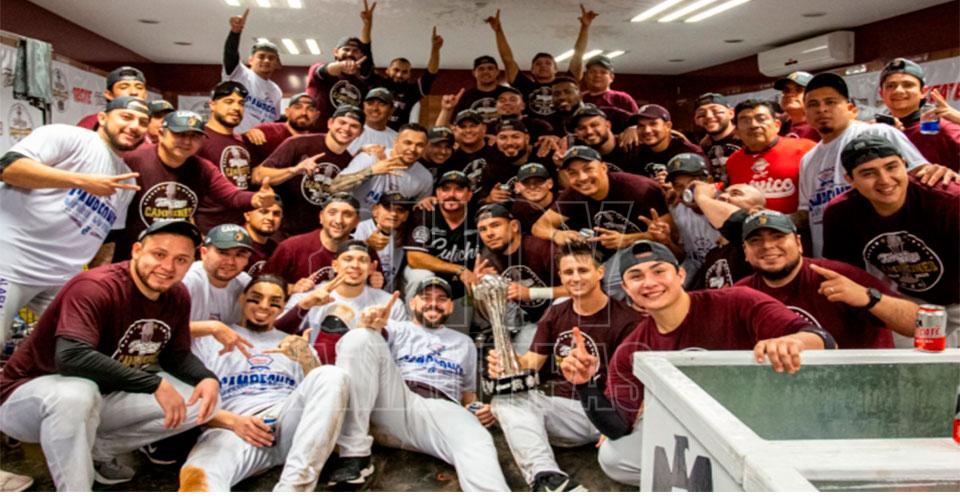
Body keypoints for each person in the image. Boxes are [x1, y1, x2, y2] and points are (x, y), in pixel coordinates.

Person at [559, 240, 835, 485]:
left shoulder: (736, 300)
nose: (649, 283)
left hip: (766, 421)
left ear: (680, 275)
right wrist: (585, 385)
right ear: (626, 289)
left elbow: (822, 339)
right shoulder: (631, 349)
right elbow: (618, 427)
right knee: (614, 457)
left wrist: (793, 342)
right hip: (696, 432)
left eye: (659, 271)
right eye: (636, 276)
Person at [0, 220, 221, 491]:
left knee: (202, 400)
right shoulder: (96, 286)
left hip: (98, 396)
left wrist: (207, 378)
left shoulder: (177, 294)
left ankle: (94, 453)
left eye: (181, 259)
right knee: (77, 392)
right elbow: (71, 357)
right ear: (137, 250)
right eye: (159, 254)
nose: (168, 267)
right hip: (25, 399)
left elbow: (176, 355)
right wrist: (154, 384)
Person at [329, 278, 509, 491]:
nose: (433, 303)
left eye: (441, 299)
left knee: (478, 441)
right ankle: (354, 454)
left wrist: (478, 409)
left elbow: (468, 396)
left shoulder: (464, 342)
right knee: (360, 336)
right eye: (426, 298)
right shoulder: (395, 328)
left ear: (450, 306)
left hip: (443, 408)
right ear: (412, 303)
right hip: (397, 400)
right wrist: (369, 324)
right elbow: (363, 350)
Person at [486, 242, 639, 492]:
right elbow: (532, 363)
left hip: (603, 412)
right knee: (505, 399)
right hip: (562, 411)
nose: (575, 278)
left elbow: (631, 386)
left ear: (600, 272)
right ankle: (547, 479)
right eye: (568, 272)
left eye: (583, 270)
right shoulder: (556, 312)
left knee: (512, 409)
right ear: (560, 276)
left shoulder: (627, 320)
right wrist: (508, 362)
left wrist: (614, 422)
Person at [178, 274, 349, 492]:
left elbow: (325, 399)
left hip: (286, 421)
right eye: (255, 298)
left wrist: (307, 359)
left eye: (274, 302)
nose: (264, 307)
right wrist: (232, 422)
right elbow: (188, 398)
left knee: (332, 375)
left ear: (283, 307)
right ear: (241, 299)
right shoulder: (210, 340)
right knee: (198, 481)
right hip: (233, 426)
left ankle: (293, 489)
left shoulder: (292, 342)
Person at [0, 97, 147, 347]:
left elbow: (108, 238)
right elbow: (8, 169)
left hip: (61, 278)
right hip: (11, 264)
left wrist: (95, 281)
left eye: (143, 122)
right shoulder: (69, 137)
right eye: (126, 116)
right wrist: (81, 181)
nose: (134, 126)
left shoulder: (127, 180)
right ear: (103, 118)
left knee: (83, 347)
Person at [823, 134, 959, 346]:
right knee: (914, 364)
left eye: (891, 167)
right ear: (850, 179)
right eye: (868, 173)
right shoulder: (841, 213)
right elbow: (847, 275)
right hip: (912, 302)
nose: (885, 180)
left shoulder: (948, 201)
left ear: (905, 164)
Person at [795, 72, 951, 257]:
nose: (822, 109)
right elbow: (806, 213)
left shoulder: (878, 133)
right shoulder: (808, 159)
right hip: (833, 258)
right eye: (813, 104)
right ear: (806, 113)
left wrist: (943, 177)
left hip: (889, 257)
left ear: (850, 108)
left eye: (831, 102)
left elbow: (926, 178)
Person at [112, 110, 276, 262]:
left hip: (176, 252)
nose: (187, 142)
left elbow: (231, 196)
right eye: (180, 134)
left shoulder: (203, 168)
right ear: (161, 134)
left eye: (194, 136)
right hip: (133, 253)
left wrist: (256, 199)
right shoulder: (133, 159)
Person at [737, 210, 913, 348]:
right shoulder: (740, 295)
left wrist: (869, 298)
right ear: (745, 251)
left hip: (860, 380)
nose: (767, 246)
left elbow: (917, 325)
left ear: (798, 243)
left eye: (778, 237)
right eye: (755, 240)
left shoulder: (838, 275)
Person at [532, 146, 669, 298]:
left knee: (608, 282)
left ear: (603, 168)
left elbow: (670, 237)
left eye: (588, 169)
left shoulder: (640, 189)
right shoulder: (573, 194)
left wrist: (628, 239)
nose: (582, 177)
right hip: (605, 257)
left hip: (650, 250)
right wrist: (557, 234)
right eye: (573, 173)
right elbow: (539, 226)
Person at [277, 240, 408, 364]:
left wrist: (380, 332)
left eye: (363, 260)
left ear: (372, 267)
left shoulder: (391, 304)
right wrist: (304, 306)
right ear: (335, 265)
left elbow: (401, 352)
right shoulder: (307, 296)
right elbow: (275, 335)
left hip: (368, 369)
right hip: (317, 369)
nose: (355, 265)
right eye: (348, 259)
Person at [255, 105, 363, 237]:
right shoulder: (299, 143)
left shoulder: (350, 162)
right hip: (281, 231)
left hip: (316, 236)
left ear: (360, 132)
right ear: (330, 123)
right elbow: (258, 175)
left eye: (354, 126)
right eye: (342, 122)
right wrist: (294, 170)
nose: (346, 128)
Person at [473, 203, 563, 352]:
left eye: (495, 225)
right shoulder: (487, 258)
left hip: (564, 316)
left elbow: (579, 289)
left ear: (514, 226)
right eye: (483, 229)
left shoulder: (541, 248)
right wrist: (479, 288)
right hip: (529, 322)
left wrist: (532, 293)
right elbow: (489, 314)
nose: (489, 234)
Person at [485, 6, 596, 120]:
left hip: (565, 129)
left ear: (556, 69)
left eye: (548, 63)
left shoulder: (567, 82)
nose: (543, 66)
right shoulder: (524, 85)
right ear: (532, 70)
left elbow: (578, 55)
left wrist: (585, 27)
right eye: (538, 64)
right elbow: (507, 59)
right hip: (534, 129)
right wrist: (498, 31)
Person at [403, 171, 479, 333]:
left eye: (458, 189)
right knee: (421, 276)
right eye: (446, 189)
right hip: (430, 281)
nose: (451, 195)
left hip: (461, 288)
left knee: (457, 336)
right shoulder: (425, 212)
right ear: (437, 193)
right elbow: (414, 258)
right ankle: (413, 330)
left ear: (469, 195)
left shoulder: (478, 217)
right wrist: (459, 269)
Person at [262, 192, 381, 293]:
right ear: (321, 217)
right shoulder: (291, 247)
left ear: (357, 222)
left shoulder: (364, 251)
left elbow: (376, 284)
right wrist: (292, 288)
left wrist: (375, 281)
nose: (339, 220)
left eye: (347, 215)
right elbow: (261, 285)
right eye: (332, 213)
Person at [725, 99, 816, 214]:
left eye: (761, 119)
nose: (753, 125)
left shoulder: (806, 149)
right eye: (745, 121)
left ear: (777, 125)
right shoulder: (733, 161)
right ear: (736, 131)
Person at [878, 57, 960, 172]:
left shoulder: (940, 127)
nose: (898, 90)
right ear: (881, 94)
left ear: (923, 92)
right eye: (891, 86)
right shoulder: (876, 131)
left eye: (907, 85)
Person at [196, 81, 256, 232]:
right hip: (208, 228)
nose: (236, 108)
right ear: (212, 105)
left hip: (239, 226)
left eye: (241, 103)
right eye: (228, 102)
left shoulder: (243, 141)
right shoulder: (198, 139)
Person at [305, 1, 377, 126]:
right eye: (346, 49)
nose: (350, 53)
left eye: (355, 51)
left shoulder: (361, 84)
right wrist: (342, 65)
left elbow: (367, 51)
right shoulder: (318, 70)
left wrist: (367, 25)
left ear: (360, 56)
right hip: (315, 132)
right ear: (336, 52)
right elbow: (324, 70)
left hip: (345, 135)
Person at [687, 182, 766, 290]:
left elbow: (737, 222)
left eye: (735, 194)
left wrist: (701, 196)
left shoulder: (755, 244)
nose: (722, 196)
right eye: (722, 194)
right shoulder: (712, 254)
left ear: (756, 211)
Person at [339, 123, 432, 211]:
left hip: (389, 222)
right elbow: (336, 187)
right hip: (353, 220)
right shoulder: (372, 156)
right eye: (408, 143)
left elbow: (417, 210)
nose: (413, 149)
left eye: (420, 145)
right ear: (396, 141)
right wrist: (371, 171)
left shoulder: (425, 177)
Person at [662, 153, 722, 281]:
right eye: (679, 186)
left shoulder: (725, 204)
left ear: (709, 181)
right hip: (695, 268)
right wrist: (667, 241)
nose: (687, 191)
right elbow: (684, 255)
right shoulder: (676, 208)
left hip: (725, 269)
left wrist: (703, 199)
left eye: (692, 184)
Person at [222, 9, 282, 133]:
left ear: (276, 64)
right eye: (261, 56)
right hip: (235, 138)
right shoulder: (240, 74)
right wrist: (235, 33)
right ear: (250, 60)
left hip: (262, 142)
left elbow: (274, 121)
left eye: (271, 58)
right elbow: (230, 54)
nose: (266, 60)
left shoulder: (276, 91)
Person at [374, 26, 442, 128]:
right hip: (370, 132)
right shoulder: (376, 83)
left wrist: (435, 49)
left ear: (409, 75)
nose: (399, 75)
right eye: (396, 70)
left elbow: (430, 75)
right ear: (387, 70)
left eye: (404, 72)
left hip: (397, 135)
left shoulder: (412, 92)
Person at [352, 191, 413, 291]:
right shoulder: (361, 228)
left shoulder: (402, 233)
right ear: (375, 210)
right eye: (388, 208)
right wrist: (367, 245)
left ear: (405, 216)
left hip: (387, 293)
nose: (394, 214)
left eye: (400, 210)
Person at [243, 93, 320, 166]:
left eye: (310, 109)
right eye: (298, 108)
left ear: (317, 115)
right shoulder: (266, 131)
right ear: (287, 112)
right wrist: (246, 132)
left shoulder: (318, 141)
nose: (304, 113)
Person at [76, 67, 148, 130]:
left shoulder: (151, 124)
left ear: (145, 95)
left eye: (139, 87)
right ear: (109, 94)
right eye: (124, 87)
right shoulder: (92, 122)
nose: (133, 92)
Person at [633, 104, 705, 168]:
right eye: (641, 126)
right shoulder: (635, 153)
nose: (646, 130)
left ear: (668, 126)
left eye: (653, 124)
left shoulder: (692, 154)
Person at [694, 93, 741, 184]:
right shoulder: (703, 147)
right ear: (696, 120)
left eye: (716, 111)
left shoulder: (746, 137)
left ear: (731, 113)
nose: (709, 116)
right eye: (702, 114)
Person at [347, 87, 398, 156]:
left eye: (381, 104)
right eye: (370, 103)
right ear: (364, 105)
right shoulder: (347, 130)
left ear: (392, 110)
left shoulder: (398, 139)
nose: (375, 108)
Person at [454, 55, 504, 125]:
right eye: (481, 69)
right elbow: (454, 123)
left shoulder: (509, 94)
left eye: (490, 68)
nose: (486, 71)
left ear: (497, 72)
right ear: (474, 73)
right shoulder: (465, 96)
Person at [509, 162, 558, 233]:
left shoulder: (565, 202)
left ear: (550, 183)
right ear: (517, 187)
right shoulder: (518, 209)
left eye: (539, 181)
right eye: (526, 182)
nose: (532, 186)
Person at [773, 71, 819, 141]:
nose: (789, 94)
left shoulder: (821, 127)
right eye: (786, 90)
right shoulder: (777, 127)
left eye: (798, 90)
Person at [243, 200, 283, 275]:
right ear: (247, 215)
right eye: (264, 212)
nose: (271, 218)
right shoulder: (232, 243)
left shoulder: (276, 250)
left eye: (276, 214)